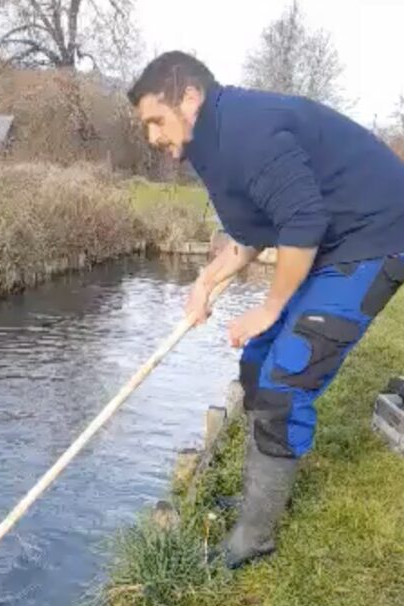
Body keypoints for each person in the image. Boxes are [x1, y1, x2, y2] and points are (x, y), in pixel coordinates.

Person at [128, 52, 404, 568]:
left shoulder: (245, 130)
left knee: (286, 373)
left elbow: (301, 221)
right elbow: (253, 235)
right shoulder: (210, 144)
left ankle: (255, 537)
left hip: (379, 236)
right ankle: (259, 503)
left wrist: (272, 305)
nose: (152, 137)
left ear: (188, 97)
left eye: (155, 121)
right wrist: (204, 283)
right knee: (257, 360)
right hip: (334, 240)